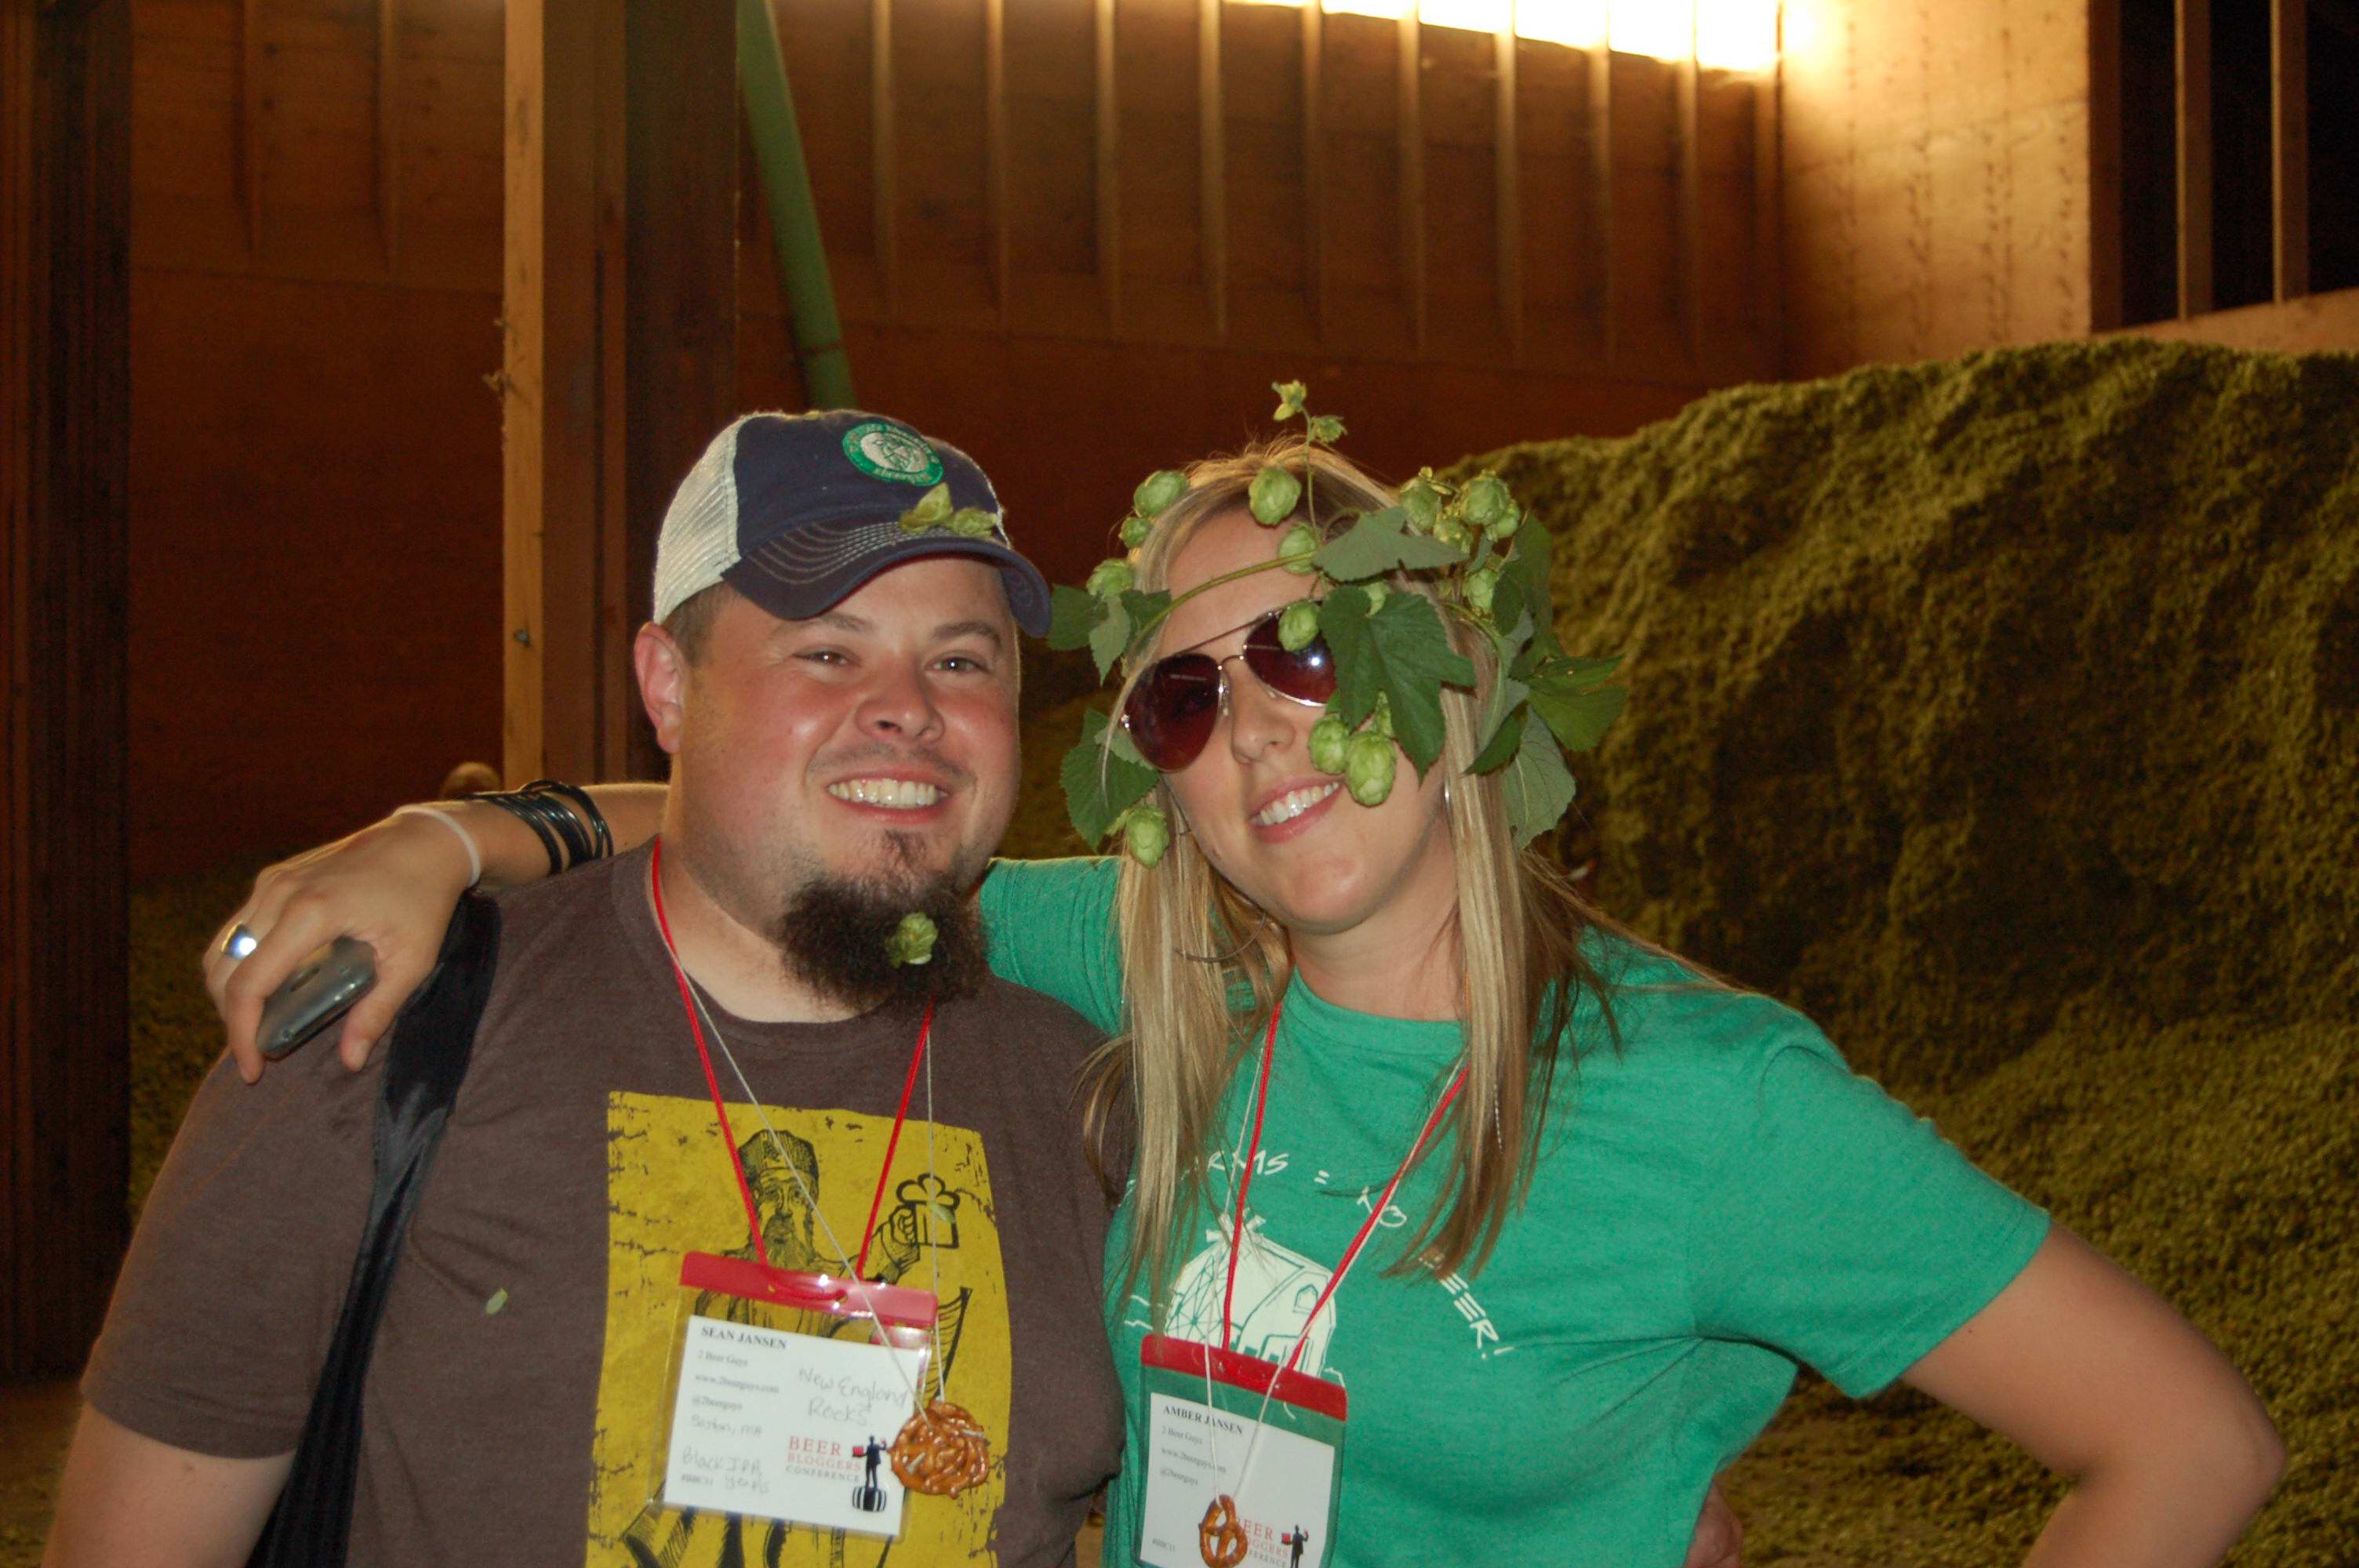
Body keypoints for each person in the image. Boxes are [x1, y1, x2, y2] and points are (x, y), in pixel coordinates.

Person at [190, 431, 2280, 1567]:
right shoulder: (1151, 961)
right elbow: (826, 827)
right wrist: (465, 837)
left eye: (1316, 653)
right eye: (1187, 692)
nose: (1261, 732)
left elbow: (2187, 1444)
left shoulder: (1705, 1100)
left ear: (1466, 685)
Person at [47, 411, 1132, 1568]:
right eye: (827, 650)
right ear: (668, 687)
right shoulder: (390, 1037)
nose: (909, 707)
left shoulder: (1091, 1094)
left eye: (961, 660)